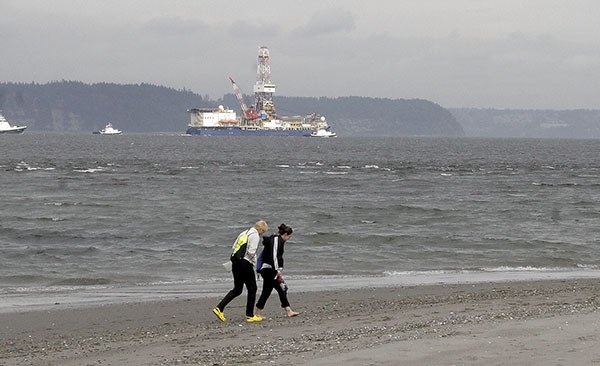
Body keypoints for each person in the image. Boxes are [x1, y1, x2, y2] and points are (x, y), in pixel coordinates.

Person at [213, 220, 268, 323]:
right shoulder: (255, 235)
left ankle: (219, 308)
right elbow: (251, 252)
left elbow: (234, 247)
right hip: (245, 263)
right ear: (261, 229)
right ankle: (250, 315)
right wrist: (254, 263)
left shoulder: (244, 232)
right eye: (263, 232)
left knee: (237, 289)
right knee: (252, 288)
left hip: (235, 262)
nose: (262, 234)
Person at [255, 223, 299, 318]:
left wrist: (279, 269)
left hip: (269, 270)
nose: (289, 239)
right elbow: (274, 256)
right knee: (275, 290)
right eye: (289, 237)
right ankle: (287, 310)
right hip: (269, 270)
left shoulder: (278, 240)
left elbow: (278, 257)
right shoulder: (276, 240)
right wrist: (277, 271)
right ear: (286, 234)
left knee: (274, 290)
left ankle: (287, 310)